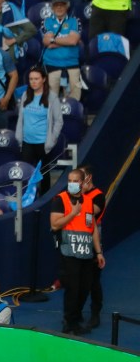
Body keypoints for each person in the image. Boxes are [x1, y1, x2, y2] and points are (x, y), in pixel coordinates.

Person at [50, 168, 105, 335]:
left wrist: (99, 252)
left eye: (75, 181)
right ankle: (70, 322)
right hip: (69, 252)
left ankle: (75, 317)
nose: (72, 184)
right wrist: (73, 213)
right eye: (70, 180)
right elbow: (55, 225)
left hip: (86, 252)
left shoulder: (89, 201)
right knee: (72, 288)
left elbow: (93, 228)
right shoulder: (60, 199)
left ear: (83, 183)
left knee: (85, 287)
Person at [16, 67, 63, 194]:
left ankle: (44, 199)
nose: (33, 82)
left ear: (44, 79)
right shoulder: (26, 95)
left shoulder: (52, 97)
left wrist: (52, 140)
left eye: (36, 79)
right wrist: (18, 136)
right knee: (26, 173)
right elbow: (21, 118)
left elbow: (59, 121)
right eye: (31, 79)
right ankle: (27, 199)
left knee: (44, 174)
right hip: (26, 142)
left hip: (43, 142)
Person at [41, 0, 82, 102]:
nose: (59, 7)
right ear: (52, 7)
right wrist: (66, 40)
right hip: (51, 64)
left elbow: (73, 41)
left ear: (67, 6)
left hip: (72, 65)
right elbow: (46, 42)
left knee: (73, 102)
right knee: (51, 101)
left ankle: (71, 119)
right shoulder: (46, 21)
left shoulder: (75, 21)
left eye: (62, 4)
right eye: (56, 5)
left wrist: (54, 40)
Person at [80, 164, 106, 329]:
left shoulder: (98, 196)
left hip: (92, 238)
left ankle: (95, 313)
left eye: (81, 177)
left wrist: (79, 197)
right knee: (77, 278)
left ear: (88, 178)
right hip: (77, 239)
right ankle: (75, 313)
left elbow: (89, 213)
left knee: (94, 280)